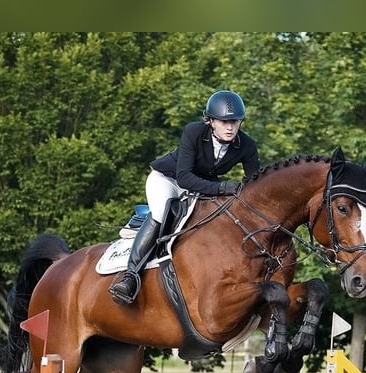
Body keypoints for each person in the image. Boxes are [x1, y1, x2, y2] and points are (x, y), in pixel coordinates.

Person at [109, 90, 261, 305]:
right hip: (169, 180)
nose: (230, 127)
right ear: (211, 121)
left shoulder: (246, 145)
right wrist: (223, 186)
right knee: (161, 215)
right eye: (224, 121)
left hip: (200, 186)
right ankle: (130, 276)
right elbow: (184, 178)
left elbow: (255, 183)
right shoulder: (193, 132)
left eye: (235, 122)